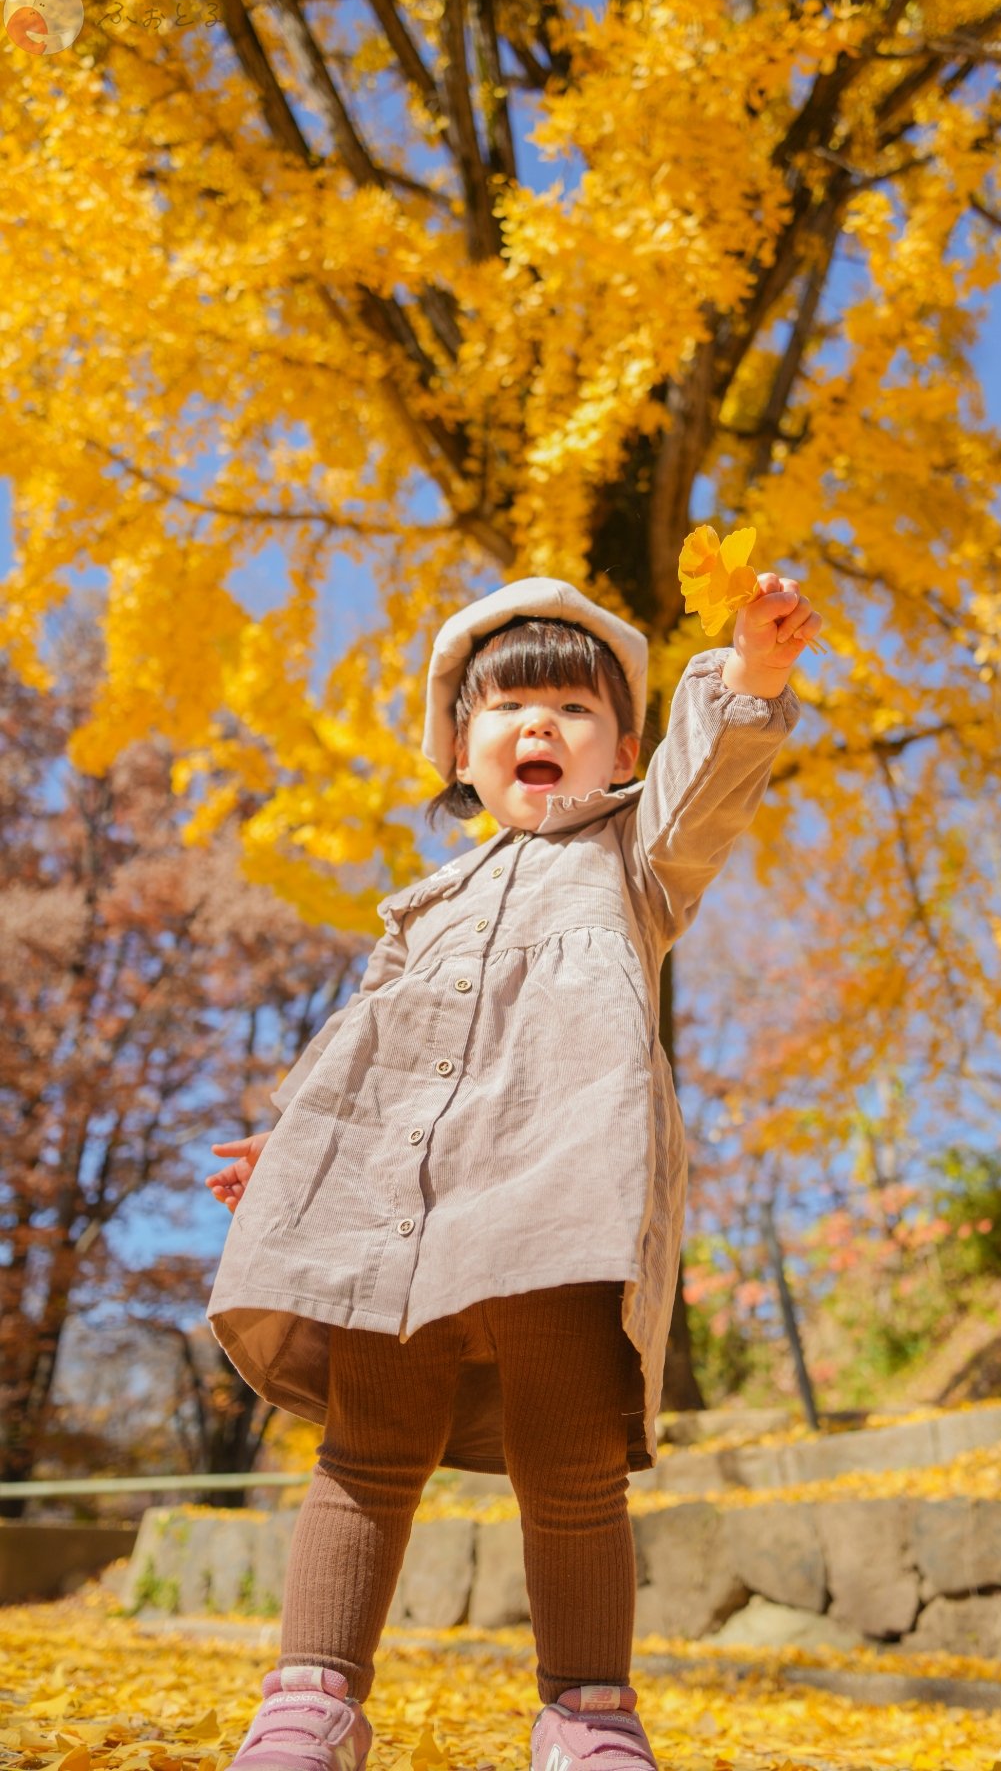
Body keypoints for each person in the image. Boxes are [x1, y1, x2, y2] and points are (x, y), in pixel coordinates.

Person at [205, 570, 821, 1771]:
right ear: (458, 749)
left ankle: (587, 1716)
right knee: (366, 1445)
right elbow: (360, 1050)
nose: (541, 725)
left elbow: (705, 790)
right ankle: (310, 1702)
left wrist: (747, 676)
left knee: (572, 1458)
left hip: (557, 1196)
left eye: (575, 709)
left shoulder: (634, 858)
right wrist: (292, 1152)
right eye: (509, 709)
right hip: (401, 1216)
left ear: (625, 746)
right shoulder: (421, 908)